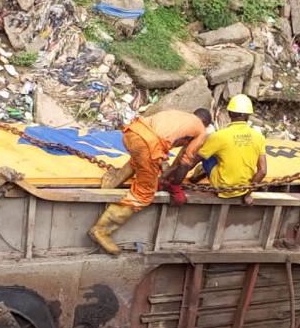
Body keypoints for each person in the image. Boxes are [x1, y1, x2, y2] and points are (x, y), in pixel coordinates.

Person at [89, 108, 213, 254]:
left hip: (132, 132)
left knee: (140, 160)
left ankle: (111, 183)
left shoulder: (181, 115)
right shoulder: (201, 131)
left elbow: (168, 150)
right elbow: (185, 163)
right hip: (148, 144)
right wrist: (175, 187)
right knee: (144, 194)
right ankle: (101, 230)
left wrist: (162, 172)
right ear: (205, 124)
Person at [193, 95, 267, 203]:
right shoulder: (258, 136)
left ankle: (200, 172)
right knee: (224, 152)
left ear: (229, 113)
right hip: (243, 189)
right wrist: (247, 194)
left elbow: (195, 158)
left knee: (207, 152)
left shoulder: (219, 136)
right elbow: (263, 171)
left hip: (222, 188)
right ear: (248, 116)